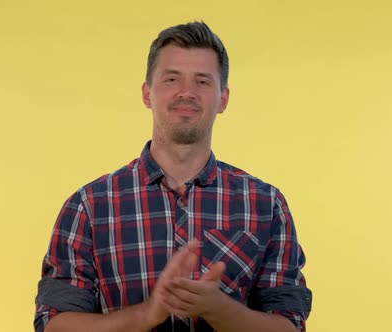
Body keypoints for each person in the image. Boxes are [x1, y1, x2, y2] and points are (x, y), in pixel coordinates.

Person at [34, 21, 312, 332]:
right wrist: (148, 313)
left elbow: (290, 326)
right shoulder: (89, 206)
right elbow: (54, 324)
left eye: (203, 82)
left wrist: (219, 310)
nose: (186, 93)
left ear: (223, 98)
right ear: (146, 93)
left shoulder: (265, 204)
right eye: (171, 79)